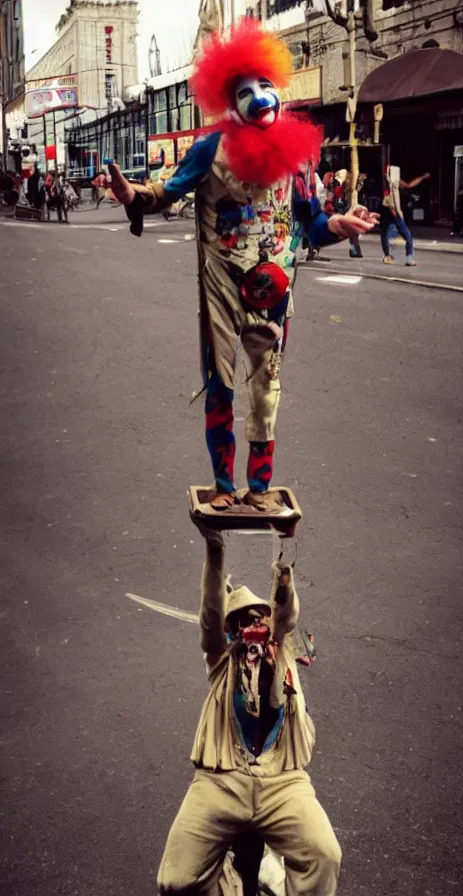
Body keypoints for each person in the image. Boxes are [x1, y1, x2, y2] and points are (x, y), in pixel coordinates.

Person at [110, 20, 376, 513]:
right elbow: (165, 191)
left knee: (267, 389)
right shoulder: (212, 150)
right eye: (245, 90)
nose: (259, 96)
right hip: (222, 287)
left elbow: (310, 225)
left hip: (275, 290)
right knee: (222, 383)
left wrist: (338, 225)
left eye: (265, 85)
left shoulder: (298, 160)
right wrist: (134, 195)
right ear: (230, 99)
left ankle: (258, 484)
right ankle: (222, 482)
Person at [156, 524, 342, 895]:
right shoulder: (222, 660)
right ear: (232, 631)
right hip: (222, 779)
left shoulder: (282, 647)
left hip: (282, 780)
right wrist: (214, 550)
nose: (253, 624)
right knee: (174, 881)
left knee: (325, 854)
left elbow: (286, 612)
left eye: (258, 616)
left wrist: (283, 564)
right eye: (242, 620)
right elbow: (210, 615)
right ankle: (229, 883)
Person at [380, 166, 430, 266]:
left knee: (386, 234)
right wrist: (423, 177)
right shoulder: (395, 184)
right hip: (395, 213)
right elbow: (409, 185)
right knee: (408, 236)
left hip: (387, 212)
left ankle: (387, 256)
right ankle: (409, 259)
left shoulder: (386, 185)